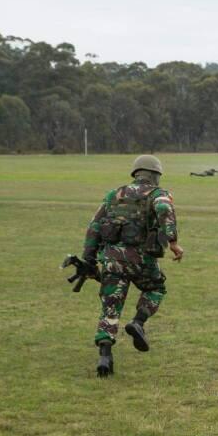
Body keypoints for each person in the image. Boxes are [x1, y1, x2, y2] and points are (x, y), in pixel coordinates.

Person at [81, 154, 184, 377]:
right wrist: (173, 242)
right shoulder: (159, 194)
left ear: (136, 174)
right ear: (156, 175)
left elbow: (94, 227)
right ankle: (138, 322)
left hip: (112, 262)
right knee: (156, 288)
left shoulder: (114, 194)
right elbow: (165, 210)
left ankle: (105, 356)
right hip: (141, 261)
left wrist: (88, 260)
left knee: (111, 306)